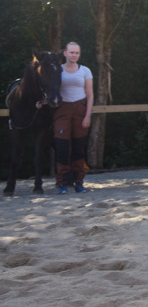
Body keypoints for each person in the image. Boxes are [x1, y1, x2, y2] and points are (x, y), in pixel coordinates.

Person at [53, 41, 94, 193]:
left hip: (80, 110)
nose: (74, 55)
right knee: (62, 147)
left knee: (78, 147)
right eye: (71, 52)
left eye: (77, 53)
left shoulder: (85, 71)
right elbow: (51, 89)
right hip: (62, 110)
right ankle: (62, 182)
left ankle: (78, 182)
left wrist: (87, 116)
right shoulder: (58, 70)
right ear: (65, 53)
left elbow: (90, 95)